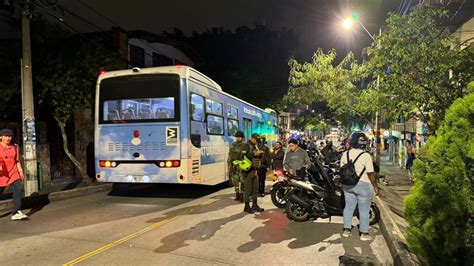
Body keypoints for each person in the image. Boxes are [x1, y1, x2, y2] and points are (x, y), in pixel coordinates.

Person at [341, 132, 379, 241]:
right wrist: (375, 186)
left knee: (348, 207)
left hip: (348, 186)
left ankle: (346, 230)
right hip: (363, 186)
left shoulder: (345, 154)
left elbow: (342, 170)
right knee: (364, 210)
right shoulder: (366, 156)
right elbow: (370, 173)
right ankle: (364, 233)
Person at [0, 129, 28, 220]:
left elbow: (16, 161)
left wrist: (20, 170)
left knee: (18, 190)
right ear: (1, 137)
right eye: (6, 136)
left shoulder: (15, 147)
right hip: (1, 175)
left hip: (13, 173)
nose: (8, 138)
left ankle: (16, 212)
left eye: (10, 136)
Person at [241, 133, 265, 213]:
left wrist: (260, 154)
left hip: (255, 170)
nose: (257, 142)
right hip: (248, 171)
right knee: (248, 190)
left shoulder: (256, 146)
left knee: (255, 189)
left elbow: (257, 157)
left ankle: (255, 205)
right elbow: (243, 156)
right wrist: (254, 154)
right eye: (256, 140)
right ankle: (247, 206)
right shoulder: (246, 145)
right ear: (252, 138)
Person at [228, 131, 246, 202]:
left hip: (242, 166)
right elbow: (230, 155)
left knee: (242, 181)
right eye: (237, 137)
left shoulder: (245, 145)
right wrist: (229, 164)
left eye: (239, 137)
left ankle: (242, 195)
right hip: (234, 167)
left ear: (242, 138)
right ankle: (237, 194)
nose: (238, 138)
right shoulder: (232, 145)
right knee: (235, 181)